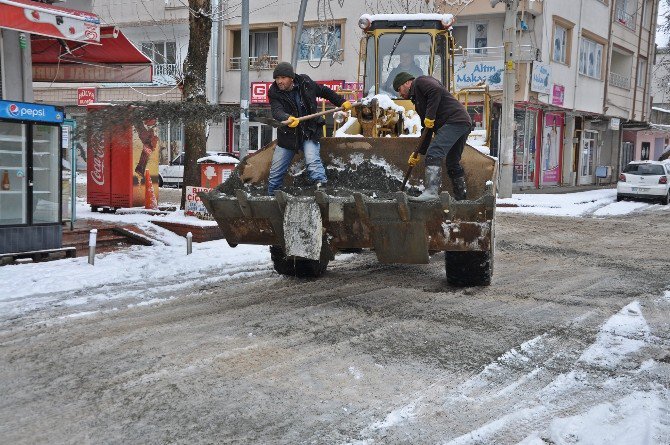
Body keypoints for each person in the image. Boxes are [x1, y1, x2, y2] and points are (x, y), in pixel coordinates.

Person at [267, 62, 352, 195]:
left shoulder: (305, 83)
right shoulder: (274, 92)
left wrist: (341, 102)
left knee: (313, 161)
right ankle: (272, 196)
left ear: (291, 78)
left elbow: (324, 91)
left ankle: (321, 190)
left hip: (309, 131)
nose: (279, 81)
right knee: (275, 172)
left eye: (283, 78)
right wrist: (287, 117)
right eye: (277, 78)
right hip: (288, 136)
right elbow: (276, 111)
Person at [393, 71, 472, 201]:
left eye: (399, 89)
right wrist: (418, 152)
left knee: (434, 153)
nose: (400, 94)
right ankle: (461, 198)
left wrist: (430, 116)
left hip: (454, 121)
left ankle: (431, 192)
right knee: (452, 162)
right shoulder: (418, 101)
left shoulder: (420, 82)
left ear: (407, 83)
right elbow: (428, 129)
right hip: (462, 122)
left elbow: (435, 90)